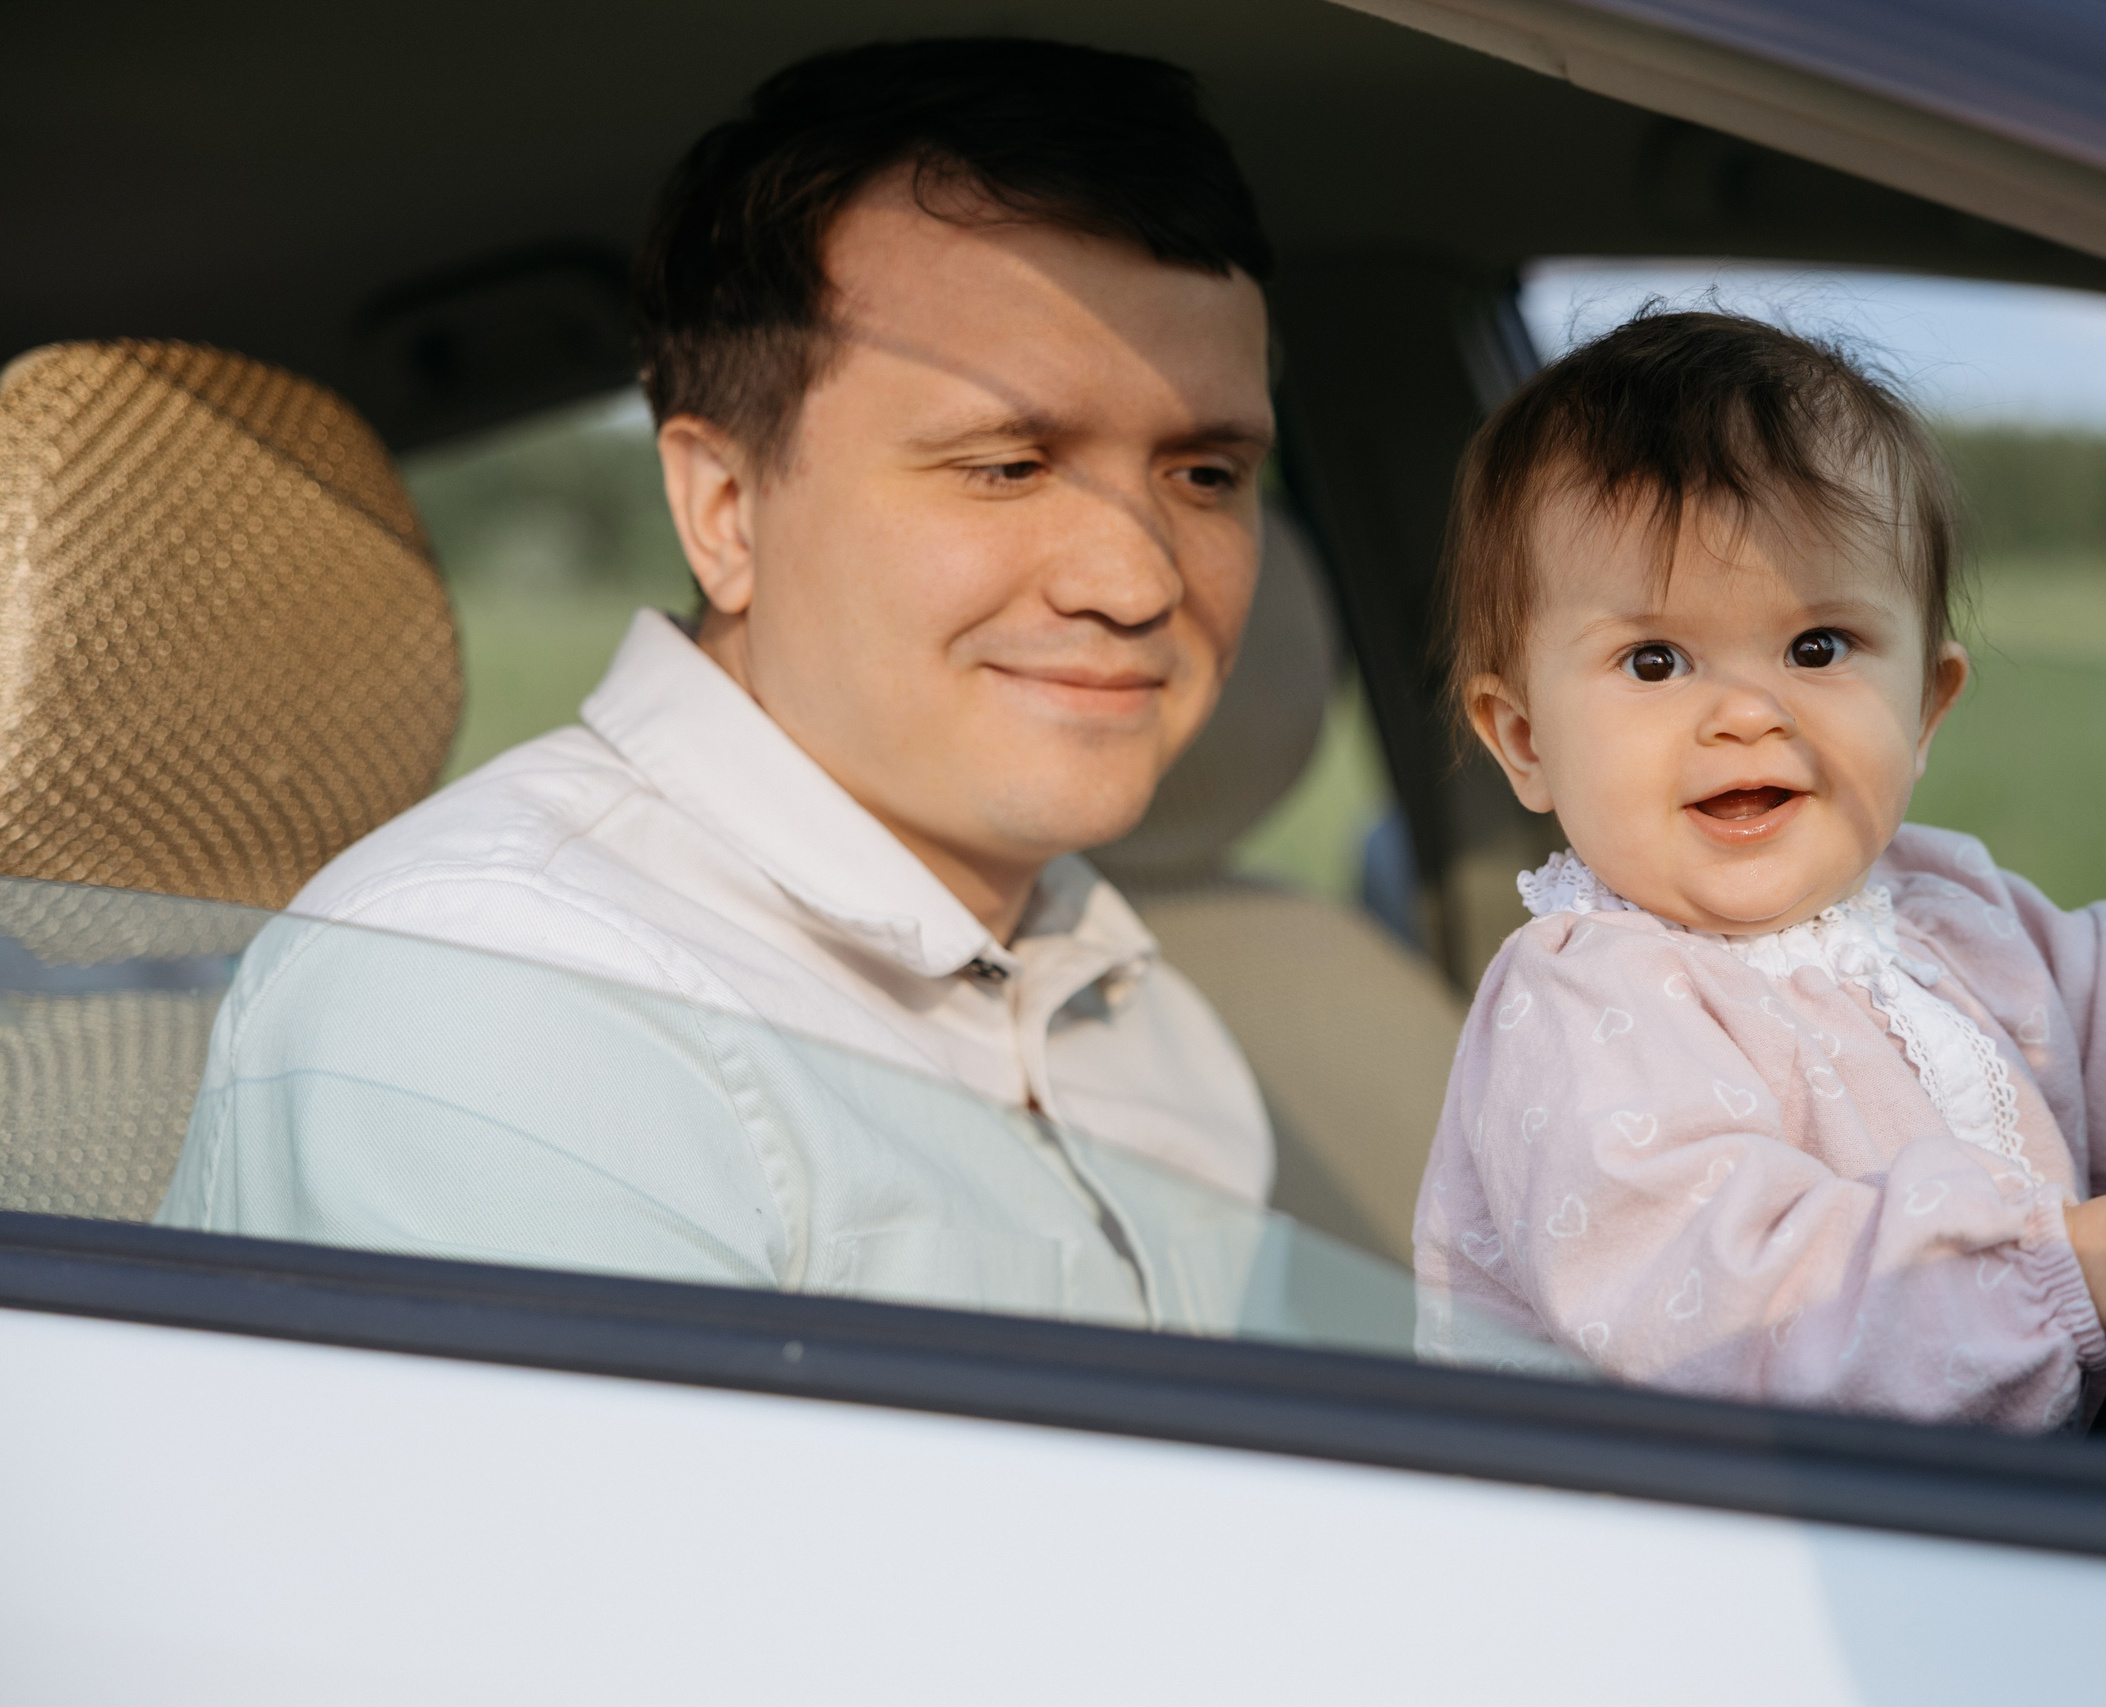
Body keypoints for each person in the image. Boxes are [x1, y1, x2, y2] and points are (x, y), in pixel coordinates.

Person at [158, 40, 1290, 1320]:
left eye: (1205, 475)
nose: (1135, 582)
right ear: (726, 509)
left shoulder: (1150, 1019)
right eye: (1007, 466)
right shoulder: (511, 990)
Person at [1412, 311, 2106, 1427]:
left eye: (1817, 648)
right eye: (1653, 660)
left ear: (1925, 707)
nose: (1746, 713)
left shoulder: (1940, 914)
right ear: (1523, 741)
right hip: (1700, 1592)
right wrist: (2058, 1273)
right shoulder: (1580, 1005)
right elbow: (1738, 1310)